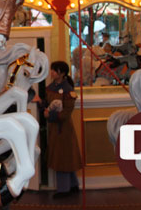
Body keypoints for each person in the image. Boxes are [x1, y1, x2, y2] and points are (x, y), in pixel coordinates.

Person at [44, 61, 82, 199]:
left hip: (63, 129)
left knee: (62, 157)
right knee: (64, 156)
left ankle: (64, 189)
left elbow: (66, 112)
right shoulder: (51, 87)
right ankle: (73, 184)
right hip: (55, 128)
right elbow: (46, 102)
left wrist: (51, 115)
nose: (52, 72)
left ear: (61, 73)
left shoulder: (67, 89)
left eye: (54, 70)